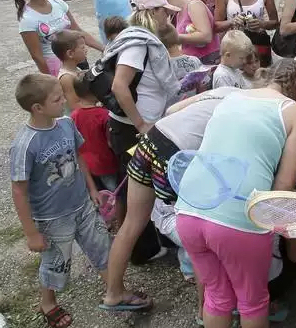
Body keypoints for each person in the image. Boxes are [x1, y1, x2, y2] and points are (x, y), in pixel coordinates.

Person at [175, 61, 296, 328]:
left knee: (216, 293)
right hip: (239, 216)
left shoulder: (231, 97)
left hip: (190, 207)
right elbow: (284, 186)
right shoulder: (295, 114)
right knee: (251, 297)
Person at [101, 83, 246, 312]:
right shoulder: (246, 107)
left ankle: (113, 293)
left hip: (150, 141)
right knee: (198, 230)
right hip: (174, 155)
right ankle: (204, 309)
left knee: (131, 224)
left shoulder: (225, 90)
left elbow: (171, 111)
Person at [9, 74, 110, 328]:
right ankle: (48, 302)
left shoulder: (65, 123)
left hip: (83, 205)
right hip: (53, 218)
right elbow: (19, 191)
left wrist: (92, 189)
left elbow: (79, 156)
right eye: (57, 98)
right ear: (38, 108)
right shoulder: (25, 144)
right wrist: (31, 233)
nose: (64, 100)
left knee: (102, 245)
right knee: (57, 261)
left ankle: (115, 289)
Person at [105, 0, 181, 265]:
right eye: (164, 12)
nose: (168, 18)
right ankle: (141, 249)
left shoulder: (130, 38)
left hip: (128, 126)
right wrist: (142, 123)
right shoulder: (137, 44)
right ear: (152, 13)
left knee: (134, 186)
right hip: (131, 129)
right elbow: (119, 86)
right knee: (135, 189)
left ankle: (146, 244)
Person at [15, 0, 103, 76]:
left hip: (77, 59)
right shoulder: (28, 19)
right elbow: (37, 56)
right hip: (56, 69)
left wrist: (104, 48)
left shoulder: (58, 3)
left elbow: (78, 31)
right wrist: (50, 81)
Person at [154, 0, 220, 65]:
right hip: (195, 61)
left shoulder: (194, 5)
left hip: (207, 61)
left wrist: (174, 38)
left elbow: (206, 37)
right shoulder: (178, 13)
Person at [72, 74, 120, 193]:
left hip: (86, 164)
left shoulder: (74, 115)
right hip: (105, 164)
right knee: (114, 192)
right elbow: (110, 143)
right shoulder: (104, 115)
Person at [51, 30, 88, 114]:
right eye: (82, 47)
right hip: (75, 120)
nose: (86, 49)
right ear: (70, 53)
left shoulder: (76, 69)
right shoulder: (66, 78)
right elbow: (74, 105)